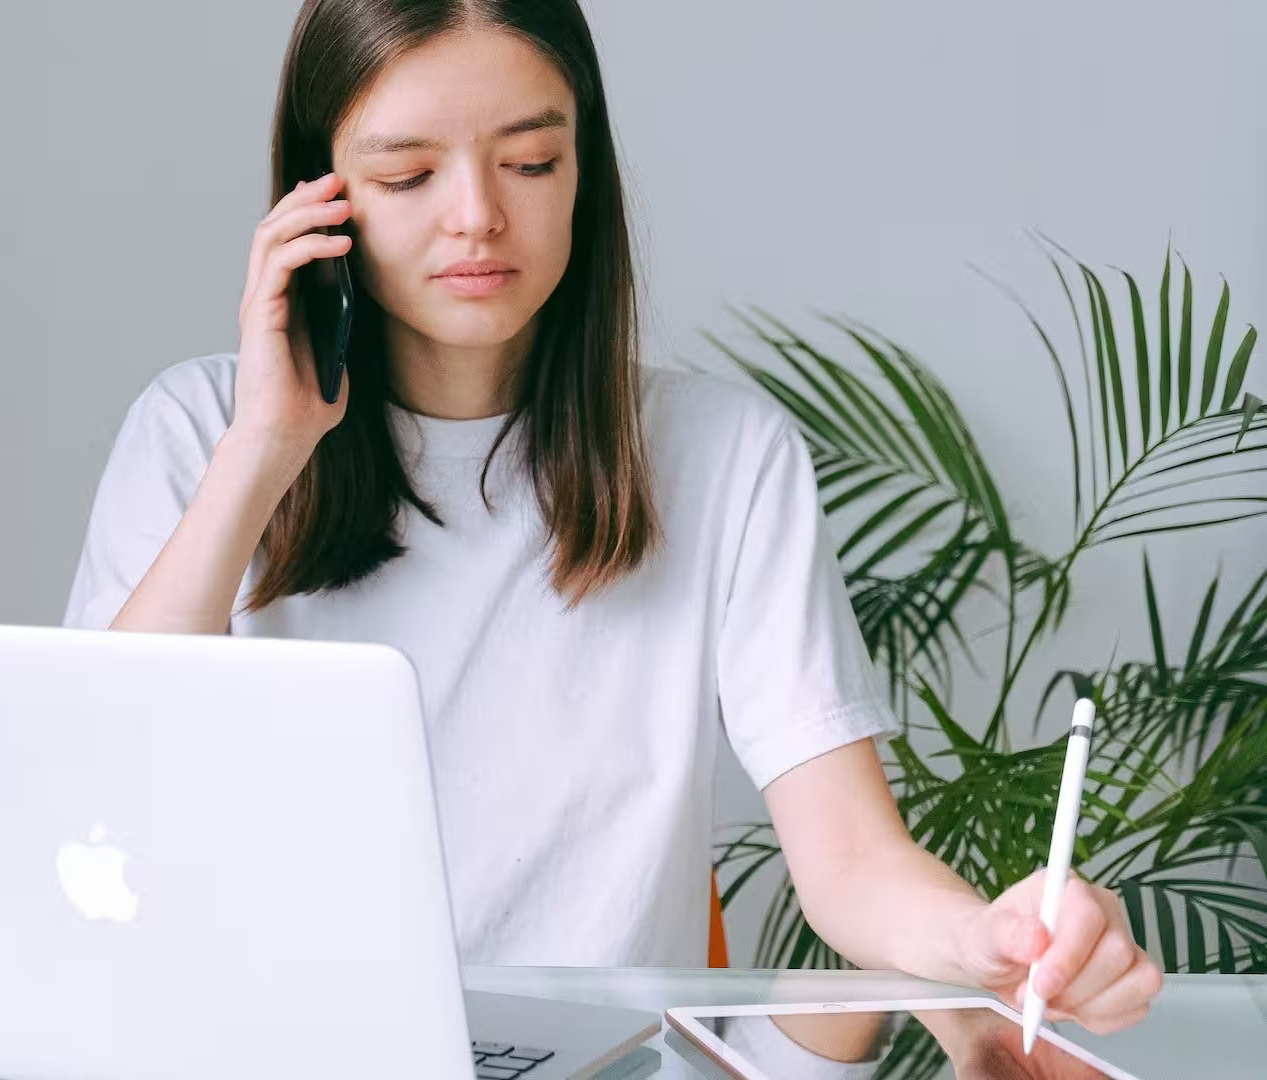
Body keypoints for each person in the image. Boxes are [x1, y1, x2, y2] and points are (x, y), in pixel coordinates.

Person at [64, 0, 1161, 1037]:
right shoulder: (198, 430)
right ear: (318, 201)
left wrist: (989, 940)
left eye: (531, 161)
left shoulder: (726, 457)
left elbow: (852, 863)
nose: (479, 216)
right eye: (406, 175)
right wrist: (263, 450)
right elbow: (94, 791)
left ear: (583, 171)